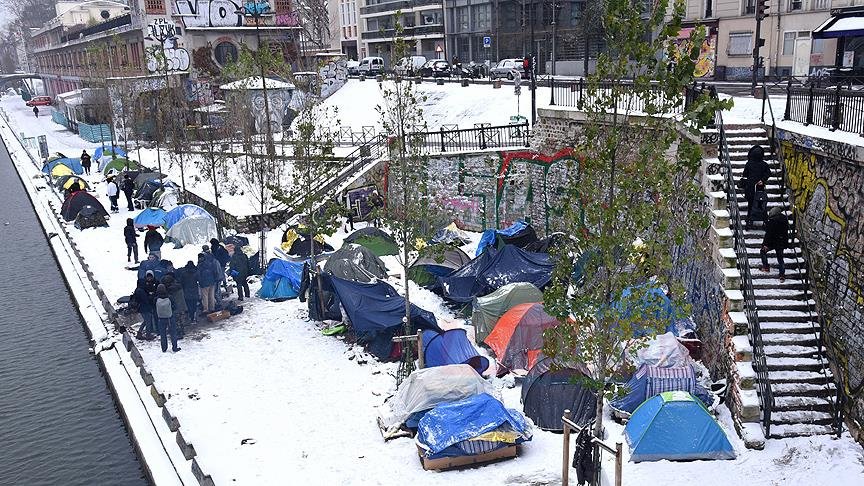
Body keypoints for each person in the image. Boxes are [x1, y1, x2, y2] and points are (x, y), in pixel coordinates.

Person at [741, 145, 771, 229]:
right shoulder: (764, 164)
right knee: (761, 203)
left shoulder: (749, 164)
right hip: (759, 187)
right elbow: (768, 173)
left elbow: (745, 174)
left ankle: (750, 218)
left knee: (751, 204)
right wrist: (763, 179)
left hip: (750, 187)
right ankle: (763, 219)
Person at [760, 206, 790, 282]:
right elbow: (785, 233)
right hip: (781, 242)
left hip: (773, 242)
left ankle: (766, 266)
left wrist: (765, 244)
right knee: (780, 259)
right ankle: (782, 275)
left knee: (762, 251)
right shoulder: (784, 220)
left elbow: (769, 234)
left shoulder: (772, 221)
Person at [154, 284, 180, 352]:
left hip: (160, 319)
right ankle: (174, 347)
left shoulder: (156, 299)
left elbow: (154, 308)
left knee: (163, 334)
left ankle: (164, 348)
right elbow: (175, 306)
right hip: (169, 318)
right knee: (173, 333)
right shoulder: (170, 297)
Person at [133, 271, 158, 339]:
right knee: (148, 321)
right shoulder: (142, 291)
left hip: (141, 308)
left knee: (146, 321)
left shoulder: (139, 290)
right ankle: (148, 335)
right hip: (145, 308)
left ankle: (139, 333)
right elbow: (146, 300)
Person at [161, 272, 187, 337]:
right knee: (181, 320)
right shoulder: (178, 285)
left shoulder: (171, 289)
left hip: (176, 307)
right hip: (182, 305)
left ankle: (179, 334)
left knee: (176, 321)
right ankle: (182, 331)